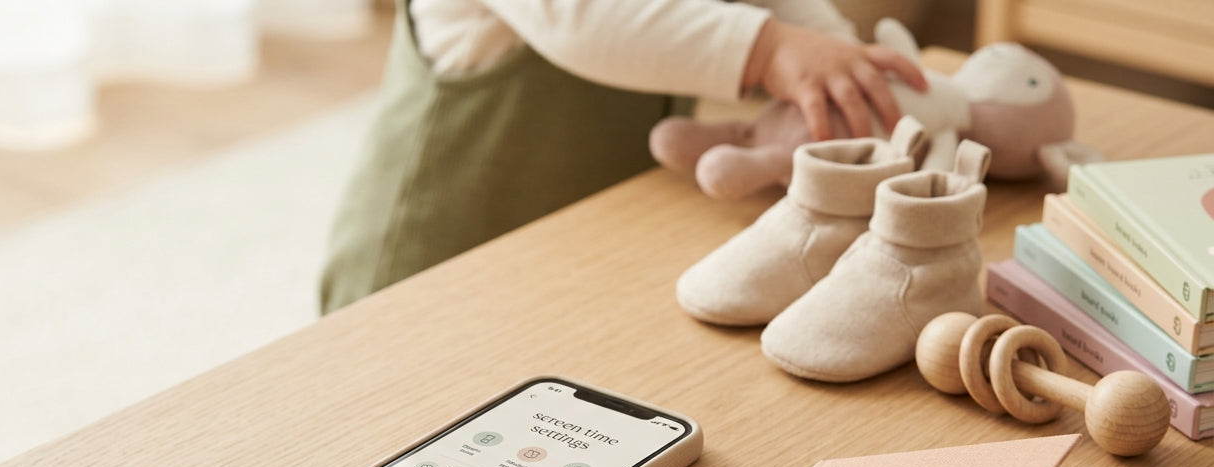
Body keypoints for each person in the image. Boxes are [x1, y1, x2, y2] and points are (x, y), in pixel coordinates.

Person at [318, 0, 928, 313]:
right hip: (437, 244)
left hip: (583, 235)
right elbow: (583, 18)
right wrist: (768, 50)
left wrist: (836, 57)